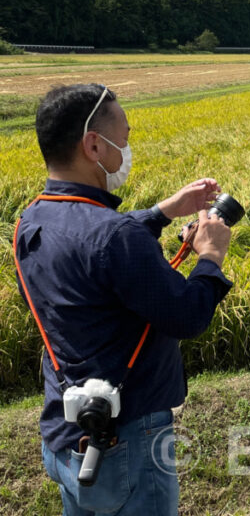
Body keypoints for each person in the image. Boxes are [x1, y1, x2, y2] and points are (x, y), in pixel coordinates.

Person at [14, 82, 233, 515]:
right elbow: (189, 315)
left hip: (65, 436)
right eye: (124, 140)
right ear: (93, 145)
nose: (126, 152)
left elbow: (91, 242)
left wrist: (162, 213)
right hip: (126, 445)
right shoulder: (116, 237)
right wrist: (210, 256)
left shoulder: (32, 220)